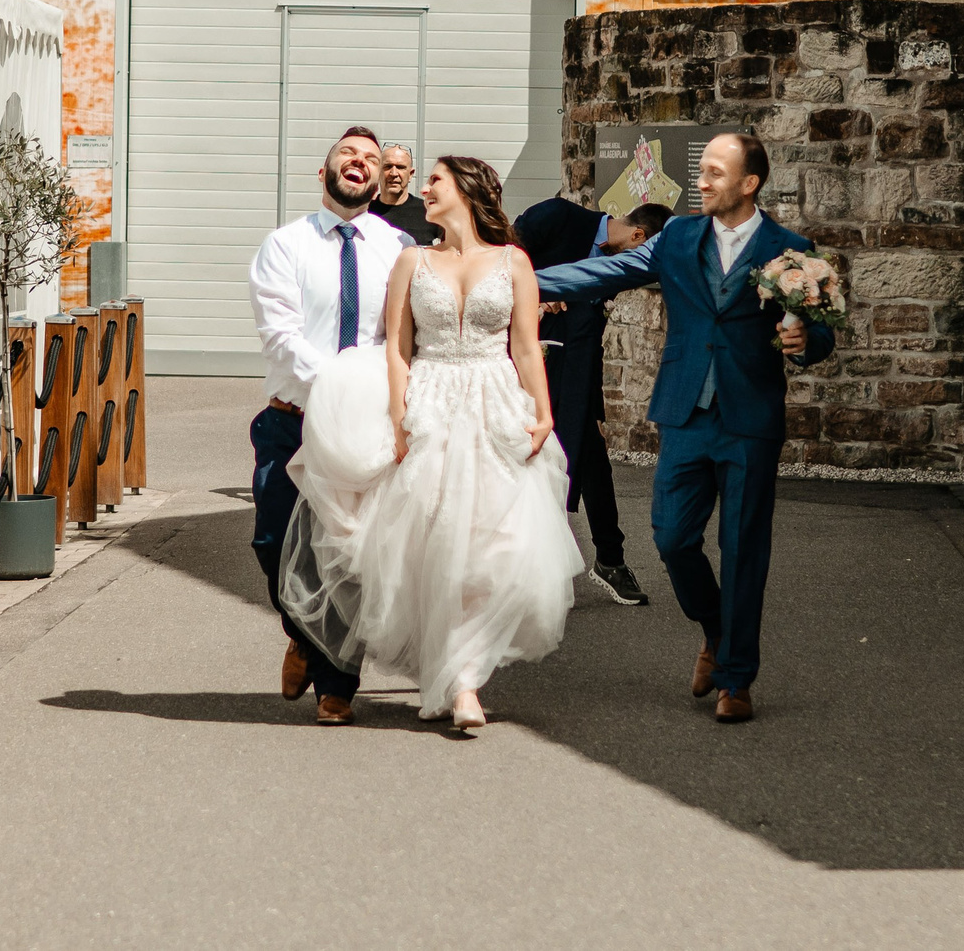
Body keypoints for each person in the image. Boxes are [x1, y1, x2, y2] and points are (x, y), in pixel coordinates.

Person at [534, 133, 834, 724]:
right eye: (703, 171)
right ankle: (716, 632)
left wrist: (806, 342)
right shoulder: (676, 237)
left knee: (744, 548)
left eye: (716, 173)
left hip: (750, 418)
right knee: (671, 537)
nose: (702, 181)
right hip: (685, 411)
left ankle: (737, 679)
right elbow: (608, 270)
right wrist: (519, 279)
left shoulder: (790, 249)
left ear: (749, 184)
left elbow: (818, 328)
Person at [282, 155, 580, 730]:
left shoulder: (514, 262)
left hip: (496, 405)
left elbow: (525, 346)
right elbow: (398, 345)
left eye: (435, 181)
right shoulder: (412, 260)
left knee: (490, 547)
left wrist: (544, 413)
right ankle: (452, 677)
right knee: (435, 546)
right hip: (433, 402)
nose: (423, 189)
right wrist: (399, 413)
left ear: (466, 191)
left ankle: (465, 681)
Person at [246, 125, 406, 726]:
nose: (359, 163)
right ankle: (304, 634)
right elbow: (281, 338)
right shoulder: (285, 245)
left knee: (348, 553)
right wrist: (338, 388)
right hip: (294, 420)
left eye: (370, 157)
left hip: (363, 427)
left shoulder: (396, 248)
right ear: (325, 171)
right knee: (271, 541)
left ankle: (339, 684)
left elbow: (401, 337)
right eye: (348, 154)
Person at [513, 194, 672, 605]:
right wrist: (537, 294)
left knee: (589, 457)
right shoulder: (559, 214)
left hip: (579, 369)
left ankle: (608, 560)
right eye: (644, 255)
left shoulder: (617, 261)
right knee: (525, 460)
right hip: (524, 363)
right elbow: (499, 255)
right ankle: (527, 568)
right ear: (639, 234)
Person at [367, 144, 439, 245]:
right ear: (378, 171)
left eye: (400, 167)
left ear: (410, 174)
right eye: (388, 167)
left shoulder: (429, 212)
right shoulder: (364, 211)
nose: (394, 173)